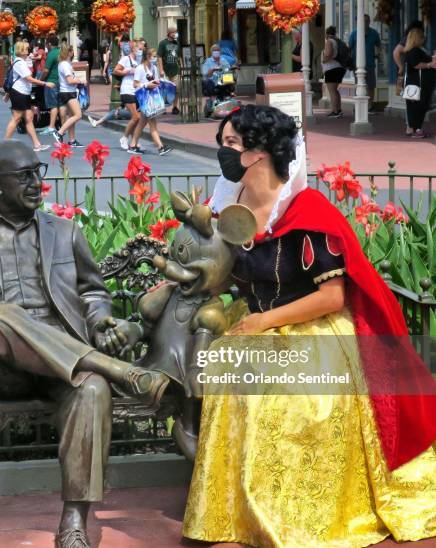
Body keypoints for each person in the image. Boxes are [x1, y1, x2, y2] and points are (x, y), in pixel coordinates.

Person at [183, 104, 436, 547]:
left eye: (230, 145)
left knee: (289, 397)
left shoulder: (306, 211)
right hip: (257, 322)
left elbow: (332, 296)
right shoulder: (230, 205)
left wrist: (264, 321)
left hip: (310, 323)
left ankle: (295, 513)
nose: (222, 153)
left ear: (258, 154)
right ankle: (233, 508)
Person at [0, 140, 169, 548]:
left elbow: (92, 292)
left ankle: (73, 521)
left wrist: (101, 318)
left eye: (39, 172)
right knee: (0, 314)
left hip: (60, 364)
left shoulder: (64, 232)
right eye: (25, 176)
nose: (36, 183)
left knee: (92, 388)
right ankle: (119, 369)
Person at [3, 41, 52, 151]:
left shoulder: (20, 62)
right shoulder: (20, 63)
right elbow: (28, 78)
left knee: (29, 118)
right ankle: (4, 145)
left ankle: (37, 144)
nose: (28, 52)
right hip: (19, 93)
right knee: (16, 118)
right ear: (22, 51)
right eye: (26, 50)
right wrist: (44, 83)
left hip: (23, 93)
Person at [128, 47, 171, 156]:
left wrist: (160, 83)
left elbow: (155, 81)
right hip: (144, 98)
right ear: (147, 56)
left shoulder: (154, 68)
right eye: (154, 56)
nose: (155, 59)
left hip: (152, 98)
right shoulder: (140, 68)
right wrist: (147, 85)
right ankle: (160, 147)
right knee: (152, 123)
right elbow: (135, 84)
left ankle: (133, 145)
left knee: (142, 123)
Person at [402, 28, 436, 139]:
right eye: (422, 37)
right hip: (418, 84)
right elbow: (416, 64)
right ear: (417, 38)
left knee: (412, 107)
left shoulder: (411, 50)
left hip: (413, 84)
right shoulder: (415, 51)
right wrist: (429, 65)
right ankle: (416, 129)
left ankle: (411, 128)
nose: (424, 39)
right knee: (419, 106)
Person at [393, 20, 424, 135]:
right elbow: (396, 52)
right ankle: (411, 126)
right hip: (409, 74)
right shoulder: (408, 40)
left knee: (411, 100)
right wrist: (400, 66)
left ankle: (411, 126)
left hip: (409, 74)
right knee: (412, 100)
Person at [52, 44, 85, 148]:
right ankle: (60, 132)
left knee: (72, 116)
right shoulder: (65, 65)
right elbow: (69, 80)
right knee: (78, 115)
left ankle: (72, 140)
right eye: (72, 51)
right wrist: (80, 80)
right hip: (68, 92)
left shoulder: (63, 64)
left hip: (67, 91)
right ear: (69, 52)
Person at [349, 14, 381, 112]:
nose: (365, 23)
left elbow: (379, 46)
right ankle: (358, 105)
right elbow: (349, 48)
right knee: (359, 85)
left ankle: (370, 106)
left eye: (367, 21)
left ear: (369, 22)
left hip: (370, 64)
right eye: (363, 21)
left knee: (371, 86)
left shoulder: (374, 33)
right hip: (357, 65)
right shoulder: (354, 33)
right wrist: (350, 61)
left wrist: (377, 55)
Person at [114, 40, 141, 150]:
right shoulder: (126, 59)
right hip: (127, 90)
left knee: (137, 118)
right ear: (133, 49)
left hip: (136, 91)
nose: (140, 51)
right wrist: (128, 71)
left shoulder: (138, 61)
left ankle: (134, 142)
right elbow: (116, 70)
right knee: (136, 117)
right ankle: (124, 138)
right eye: (139, 49)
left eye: (142, 49)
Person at [321, 26, 346, 118]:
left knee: (332, 91)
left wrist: (324, 60)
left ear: (326, 34)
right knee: (335, 90)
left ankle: (335, 111)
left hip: (331, 69)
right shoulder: (337, 41)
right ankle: (338, 109)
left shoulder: (329, 42)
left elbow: (328, 54)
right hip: (339, 67)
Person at [38, 35, 61, 137]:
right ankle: (62, 125)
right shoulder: (60, 52)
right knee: (60, 105)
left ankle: (51, 126)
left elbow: (46, 70)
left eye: (47, 43)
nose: (46, 45)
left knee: (53, 105)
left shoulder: (51, 54)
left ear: (50, 44)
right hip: (60, 81)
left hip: (51, 81)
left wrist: (40, 80)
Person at [157, 26, 182, 114]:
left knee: (176, 89)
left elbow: (179, 57)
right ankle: (163, 107)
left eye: (176, 32)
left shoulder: (177, 43)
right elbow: (159, 57)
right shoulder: (163, 43)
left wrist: (181, 67)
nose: (175, 34)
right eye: (174, 32)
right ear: (169, 33)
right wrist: (161, 69)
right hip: (166, 70)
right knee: (165, 89)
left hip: (175, 70)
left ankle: (175, 107)